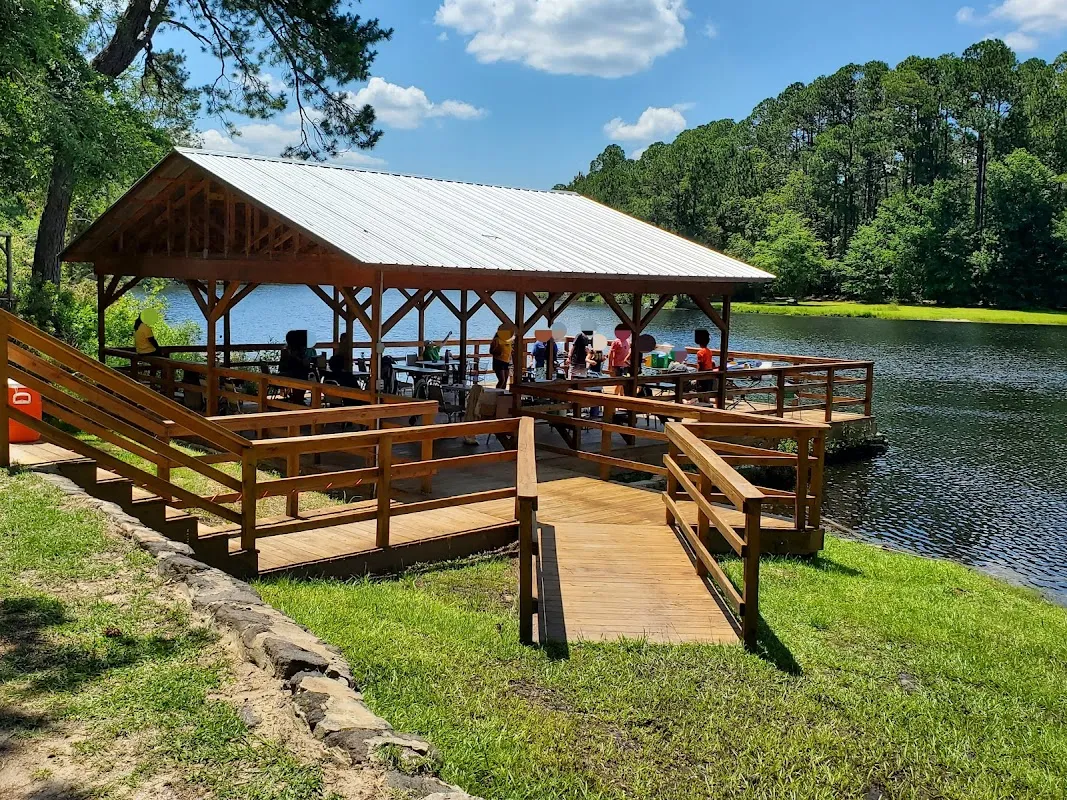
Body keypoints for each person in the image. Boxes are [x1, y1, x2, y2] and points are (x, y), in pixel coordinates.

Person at [608, 324, 632, 395]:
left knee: (623, 383)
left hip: (625, 365)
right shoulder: (616, 341)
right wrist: (610, 365)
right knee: (619, 382)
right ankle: (615, 396)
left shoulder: (628, 341)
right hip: (617, 365)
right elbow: (611, 354)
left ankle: (622, 397)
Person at [489, 324, 514, 390]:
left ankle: (502, 394)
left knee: (505, 380)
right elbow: (491, 351)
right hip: (498, 361)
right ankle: (496, 394)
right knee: (502, 380)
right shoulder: (496, 340)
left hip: (506, 361)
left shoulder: (508, 340)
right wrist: (498, 352)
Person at [693, 328, 717, 396]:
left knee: (700, 393)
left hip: (703, 374)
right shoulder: (709, 351)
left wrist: (698, 378)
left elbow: (701, 365)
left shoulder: (700, 352)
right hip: (710, 373)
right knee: (707, 393)